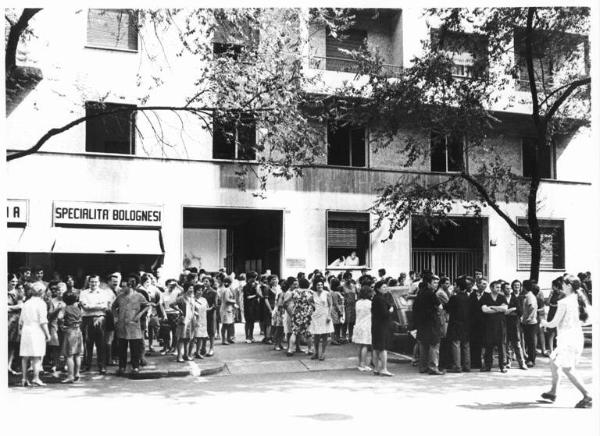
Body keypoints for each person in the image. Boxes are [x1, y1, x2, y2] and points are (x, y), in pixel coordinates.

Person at [541, 275, 592, 408]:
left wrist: (543, 322)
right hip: (575, 337)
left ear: (568, 285)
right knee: (554, 362)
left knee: (568, 369)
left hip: (567, 340)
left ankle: (587, 396)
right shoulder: (579, 299)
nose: (562, 286)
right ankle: (553, 392)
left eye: (563, 284)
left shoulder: (564, 302)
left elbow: (553, 323)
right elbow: (588, 320)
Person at [112, 278, 149, 375]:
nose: (122, 288)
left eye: (124, 286)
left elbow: (146, 305)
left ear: (130, 286)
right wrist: (115, 317)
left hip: (134, 325)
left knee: (135, 347)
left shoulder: (139, 296)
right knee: (122, 347)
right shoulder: (120, 297)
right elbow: (113, 307)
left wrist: (139, 315)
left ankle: (135, 367)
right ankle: (122, 367)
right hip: (122, 324)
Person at [19, 283, 51, 386]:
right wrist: (47, 334)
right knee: (37, 355)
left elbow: (21, 320)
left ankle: (24, 378)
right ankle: (36, 378)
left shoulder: (26, 303)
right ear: (41, 292)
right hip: (37, 330)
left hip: (26, 330)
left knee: (25, 356)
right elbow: (43, 321)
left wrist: (20, 331)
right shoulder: (41, 304)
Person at [413, 272, 445, 375]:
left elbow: (415, 308)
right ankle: (433, 367)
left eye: (437, 283)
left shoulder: (420, 293)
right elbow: (440, 307)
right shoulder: (431, 294)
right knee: (434, 345)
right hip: (432, 322)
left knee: (423, 345)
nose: (436, 285)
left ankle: (423, 367)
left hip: (422, 323)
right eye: (434, 283)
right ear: (429, 283)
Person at [80, 274, 111, 374]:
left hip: (100, 319)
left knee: (101, 343)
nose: (93, 284)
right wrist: (98, 306)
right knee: (87, 343)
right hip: (87, 319)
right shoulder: (83, 293)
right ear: (88, 282)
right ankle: (86, 365)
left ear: (99, 283)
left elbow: (105, 306)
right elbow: (85, 307)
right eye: (92, 282)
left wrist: (91, 306)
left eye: (95, 282)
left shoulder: (104, 293)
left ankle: (102, 366)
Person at [480, 280, 508, 372]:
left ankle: (502, 366)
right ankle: (488, 365)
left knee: (501, 345)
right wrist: (498, 309)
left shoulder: (502, 297)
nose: (499, 289)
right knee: (489, 345)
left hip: (500, 325)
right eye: (497, 287)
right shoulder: (486, 296)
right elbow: (484, 310)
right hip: (489, 325)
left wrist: (492, 307)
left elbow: (504, 309)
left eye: (500, 287)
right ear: (491, 288)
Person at [447, 275, 472, 372]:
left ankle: (457, 366)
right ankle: (467, 366)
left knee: (456, 344)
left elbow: (448, 308)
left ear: (458, 286)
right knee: (466, 344)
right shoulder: (469, 297)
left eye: (455, 285)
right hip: (467, 323)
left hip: (456, 323)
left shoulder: (454, 298)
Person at [371, 281, 394, 376]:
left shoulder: (376, 298)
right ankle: (384, 368)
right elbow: (384, 313)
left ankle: (376, 368)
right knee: (383, 348)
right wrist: (390, 310)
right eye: (384, 287)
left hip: (376, 325)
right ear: (378, 288)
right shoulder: (380, 299)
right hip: (382, 325)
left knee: (376, 347)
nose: (386, 288)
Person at [60, 291, 84, 383]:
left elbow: (59, 317)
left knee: (69, 355)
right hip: (78, 331)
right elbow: (81, 318)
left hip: (69, 331)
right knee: (77, 354)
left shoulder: (65, 308)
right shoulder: (78, 308)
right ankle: (77, 373)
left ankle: (70, 376)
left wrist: (62, 324)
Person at [504, 280, 527, 370]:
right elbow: (502, 312)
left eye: (509, 288)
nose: (509, 290)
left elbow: (520, 311)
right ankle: (508, 362)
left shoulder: (516, 298)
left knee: (517, 343)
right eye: (507, 288)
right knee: (507, 343)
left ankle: (522, 363)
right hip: (505, 323)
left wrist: (509, 311)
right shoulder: (501, 298)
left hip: (514, 323)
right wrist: (511, 310)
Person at [287, 278, 313, 356]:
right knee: (308, 332)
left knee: (294, 332)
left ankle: (290, 350)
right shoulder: (311, 292)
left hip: (297, 313)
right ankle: (310, 349)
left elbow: (286, 301)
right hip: (307, 314)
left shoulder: (295, 291)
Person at [309, 279, 333, 360]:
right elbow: (309, 300)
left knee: (324, 335)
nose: (320, 286)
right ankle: (316, 352)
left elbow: (330, 305)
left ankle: (323, 353)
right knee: (316, 335)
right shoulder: (314, 294)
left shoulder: (327, 293)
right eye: (318, 285)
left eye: (321, 285)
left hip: (325, 314)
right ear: (315, 286)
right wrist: (314, 306)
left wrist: (329, 315)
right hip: (316, 315)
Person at [171, 284, 196, 362]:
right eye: (190, 288)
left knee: (188, 338)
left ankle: (186, 355)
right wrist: (179, 310)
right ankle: (179, 356)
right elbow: (172, 304)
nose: (191, 290)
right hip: (183, 320)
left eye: (192, 288)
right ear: (186, 289)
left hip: (191, 320)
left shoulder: (192, 298)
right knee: (181, 338)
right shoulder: (181, 298)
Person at [468, 278, 487, 369]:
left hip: (484, 323)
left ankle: (485, 362)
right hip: (473, 324)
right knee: (474, 343)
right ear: (477, 284)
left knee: (484, 343)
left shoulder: (487, 296)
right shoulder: (471, 295)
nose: (484, 286)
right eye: (482, 284)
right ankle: (475, 362)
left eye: (485, 284)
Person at [353, 286, 372, 371]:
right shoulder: (370, 303)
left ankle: (360, 363)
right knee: (365, 345)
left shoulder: (358, 302)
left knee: (359, 345)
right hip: (367, 325)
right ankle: (363, 364)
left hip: (358, 324)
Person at [521, 279, 539, 368]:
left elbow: (532, 307)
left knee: (530, 341)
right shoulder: (528, 295)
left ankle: (531, 359)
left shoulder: (529, 296)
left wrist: (529, 318)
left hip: (530, 323)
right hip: (528, 321)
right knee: (528, 341)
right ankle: (530, 358)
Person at [8, 273, 23, 375]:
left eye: (16, 281)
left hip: (14, 320)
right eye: (12, 281)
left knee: (12, 344)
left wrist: (8, 308)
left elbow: (21, 305)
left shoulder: (18, 292)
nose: (14, 283)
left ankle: (8, 366)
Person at [545, 277, 563, 355]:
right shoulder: (552, 293)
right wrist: (550, 295)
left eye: (553, 286)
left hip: (558, 314)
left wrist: (555, 305)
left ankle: (559, 350)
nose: (552, 287)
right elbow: (547, 303)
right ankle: (551, 350)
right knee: (551, 332)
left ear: (557, 286)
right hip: (551, 313)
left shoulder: (562, 294)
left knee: (559, 333)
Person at [190, 285, 208, 359]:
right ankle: (189, 353)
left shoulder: (204, 299)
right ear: (194, 291)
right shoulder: (191, 299)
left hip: (203, 320)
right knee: (192, 337)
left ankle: (197, 352)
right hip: (193, 320)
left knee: (201, 336)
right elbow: (190, 309)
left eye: (201, 290)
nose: (200, 292)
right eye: (198, 290)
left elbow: (207, 308)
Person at [243, 272, 261, 343]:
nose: (254, 279)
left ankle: (251, 336)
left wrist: (256, 288)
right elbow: (248, 297)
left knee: (252, 322)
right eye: (253, 278)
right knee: (248, 321)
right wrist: (255, 295)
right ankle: (247, 337)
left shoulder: (255, 286)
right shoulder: (246, 287)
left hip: (254, 305)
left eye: (255, 278)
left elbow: (259, 294)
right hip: (248, 306)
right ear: (249, 278)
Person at [219, 276, 236, 345]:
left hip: (228, 308)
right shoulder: (226, 290)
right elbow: (226, 300)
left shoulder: (227, 289)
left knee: (229, 324)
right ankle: (223, 339)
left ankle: (229, 338)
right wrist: (234, 301)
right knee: (225, 325)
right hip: (225, 308)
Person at [341, 271, 357, 343]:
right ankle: (344, 337)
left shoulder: (354, 286)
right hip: (345, 306)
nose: (349, 279)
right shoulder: (342, 286)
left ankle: (351, 336)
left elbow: (357, 295)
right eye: (347, 278)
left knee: (352, 322)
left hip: (353, 305)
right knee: (345, 322)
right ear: (344, 279)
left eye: (350, 278)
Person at [203, 278, 217, 356]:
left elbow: (215, 305)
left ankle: (211, 348)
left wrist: (209, 309)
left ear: (210, 283)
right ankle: (203, 348)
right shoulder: (203, 292)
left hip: (211, 313)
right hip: (204, 313)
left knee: (211, 331)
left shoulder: (214, 292)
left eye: (206, 281)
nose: (205, 282)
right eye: (204, 281)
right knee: (204, 331)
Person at [329, 278, 345, 345]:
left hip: (338, 309)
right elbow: (335, 303)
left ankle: (337, 338)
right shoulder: (335, 293)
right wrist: (340, 312)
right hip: (336, 310)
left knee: (338, 325)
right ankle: (333, 339)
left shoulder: (335, 292)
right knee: (335, 325)